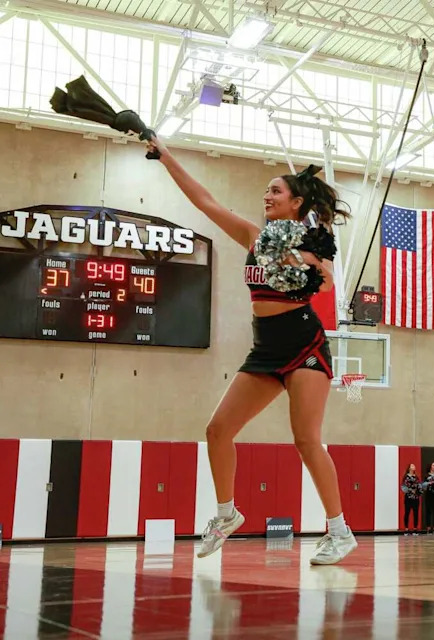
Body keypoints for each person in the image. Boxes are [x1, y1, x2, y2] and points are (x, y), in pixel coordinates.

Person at [144, 135, 355, 565]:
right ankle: (226, 515)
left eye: (275, 190)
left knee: (306, 439)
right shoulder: (254, 237)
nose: (267, 196)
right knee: (217, 430)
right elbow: (206, 202)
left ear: (296, 202)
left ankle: (340, 531)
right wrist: (166, 156)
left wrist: (308, 259)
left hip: (304, 343)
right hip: (265, 348)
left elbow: (328, 281)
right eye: (266, 191)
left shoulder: (311, 245)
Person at [400, 464, 421, 533]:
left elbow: (419, 486)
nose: (414, 467)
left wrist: (418, 491)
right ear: (409, 468)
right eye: (412, 466)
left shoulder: (416, 477)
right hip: (408, 497)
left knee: (416, 513)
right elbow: (403, 487)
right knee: (407, 512)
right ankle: (406, 528)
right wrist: (411, 490)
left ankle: (415, 528)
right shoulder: (406, 477)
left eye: (414, 466)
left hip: (415, 498)